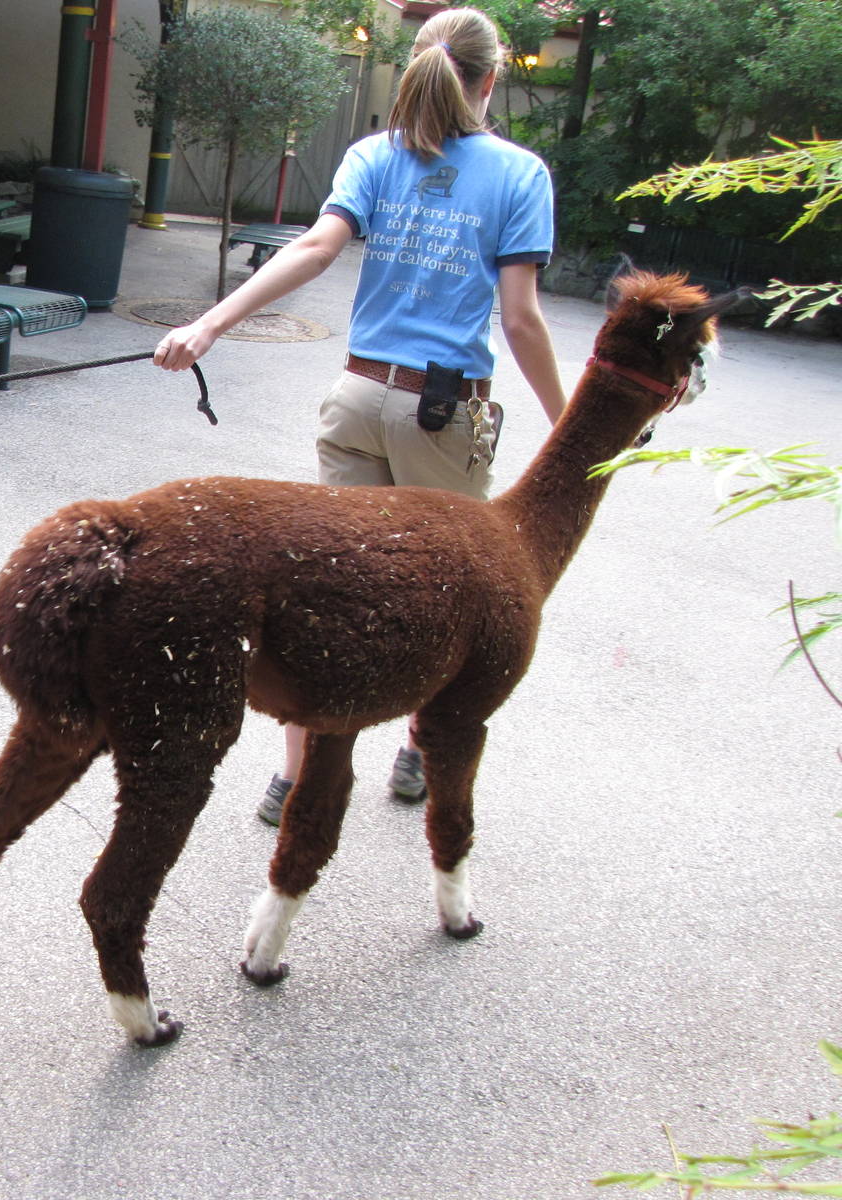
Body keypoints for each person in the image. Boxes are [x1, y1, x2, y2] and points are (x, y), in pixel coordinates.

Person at [152, 6, 566, 824]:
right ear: (490, 80)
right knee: (448, 595)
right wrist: (568, 424)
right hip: (441, 419)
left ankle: (294, 780)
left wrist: (207, 326)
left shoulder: (374, 155)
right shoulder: (520, 175)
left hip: (357, 398)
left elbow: (313, 248)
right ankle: (417, 751)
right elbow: (520, 320)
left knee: (333, 593)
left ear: (417, 69)